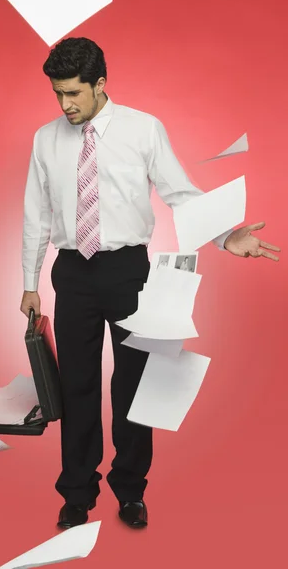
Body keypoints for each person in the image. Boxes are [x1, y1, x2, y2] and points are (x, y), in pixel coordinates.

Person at [20, 37, 280, 530]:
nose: (65, 104)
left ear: (100, 84)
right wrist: (29, 282)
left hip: (127, 272)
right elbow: (36, 213)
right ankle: (77, 492)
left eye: (74, 93)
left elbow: (179, 192)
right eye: (58, 94)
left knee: (134, 386)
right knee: (76, 385)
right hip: (72, 273)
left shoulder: (143, 130)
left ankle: (131, 490)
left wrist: (226, 236)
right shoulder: (45, 139)